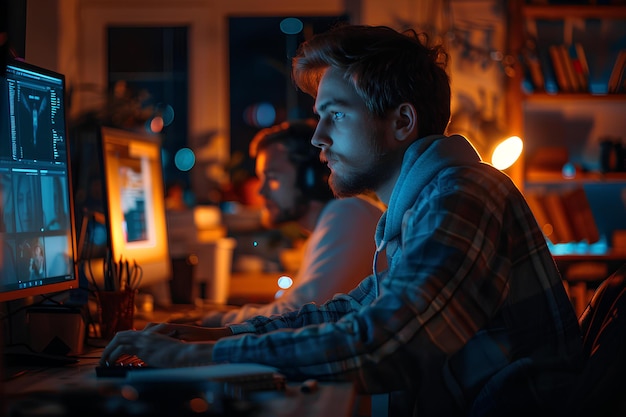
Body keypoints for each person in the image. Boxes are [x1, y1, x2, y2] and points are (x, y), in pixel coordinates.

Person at [101, 24, 583, 416]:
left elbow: (385, 347)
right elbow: (348, 314)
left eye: (335, 115)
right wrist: (214, 335)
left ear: (401, 121)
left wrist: (195, 359)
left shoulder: (462, 195)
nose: (318, 139)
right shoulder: (424, 204)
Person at [202, 119, 385, 326]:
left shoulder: (349, 214)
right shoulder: (329, 226)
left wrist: (213, 321)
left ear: (311, 177)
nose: (261, 191)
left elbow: (298, 314)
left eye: (271, 177)